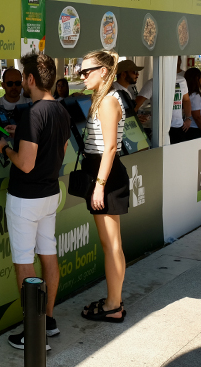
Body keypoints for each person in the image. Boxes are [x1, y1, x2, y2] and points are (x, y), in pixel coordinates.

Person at [0, 53, 70, 350]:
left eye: (23, 77)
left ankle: (33, 335)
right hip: (50, 194)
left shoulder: (32, 114)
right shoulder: (59, 110)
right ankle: (47, 321)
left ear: (31, 80)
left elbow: (24, 163)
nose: (22, 83)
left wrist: (5, 148)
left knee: (25, 264)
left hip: (26, 198)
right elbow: (60, 147)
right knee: (48, 254)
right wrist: (22, 136)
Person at [78, 49, 129, 324]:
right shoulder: (105, 97)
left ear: (104, 72)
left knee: (111, 245)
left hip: (105, 175)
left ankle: (112, 304)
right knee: (112, 245)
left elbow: (110, 148)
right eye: (81, 71)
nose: (82, 75)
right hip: (104, 174)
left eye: (87, 71)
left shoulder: (108, 101)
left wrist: (99, 185)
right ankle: (115, 299)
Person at [136, 58, 191, 145]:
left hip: (178, 126)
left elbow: (186, 100)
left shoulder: (182, 81)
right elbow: (136, 104)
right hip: (160, 129)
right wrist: (136, 116)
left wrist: (188, 118)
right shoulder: (153, 83)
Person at [183, 67, 201, 140]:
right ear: (197, 78)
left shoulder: (190, 95)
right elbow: (197, 116)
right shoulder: (195, 95)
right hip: (195, 130)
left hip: (195, 129)